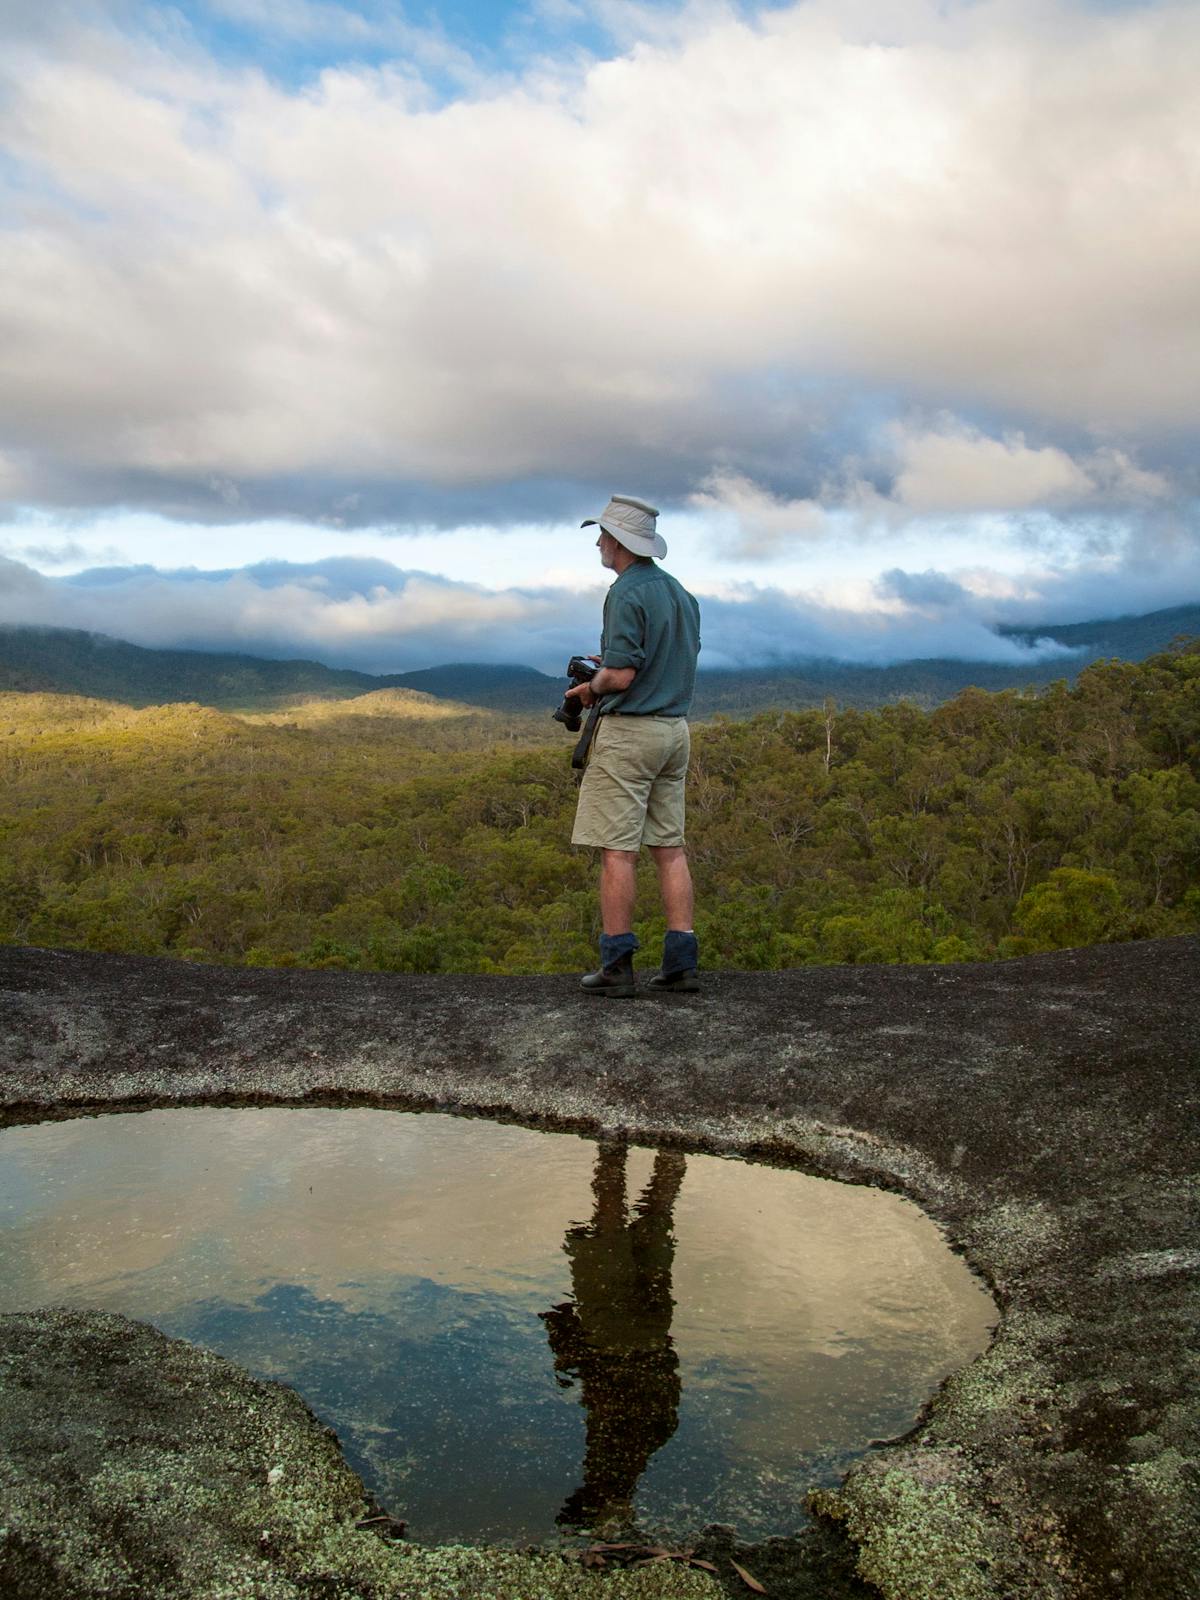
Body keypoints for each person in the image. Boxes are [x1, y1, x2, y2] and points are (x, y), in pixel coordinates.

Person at [566, 494, 701, 997]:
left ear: (619, 541)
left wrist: (590, 686)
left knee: (618, 852)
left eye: (602, 534)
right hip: (674, 731)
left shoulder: (625, 591)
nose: (599, 541)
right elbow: (663, 659)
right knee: (669, 847)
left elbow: (621, 675)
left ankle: (617, 964)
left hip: (632, 735)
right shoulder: (679, 593)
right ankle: (681, 962)